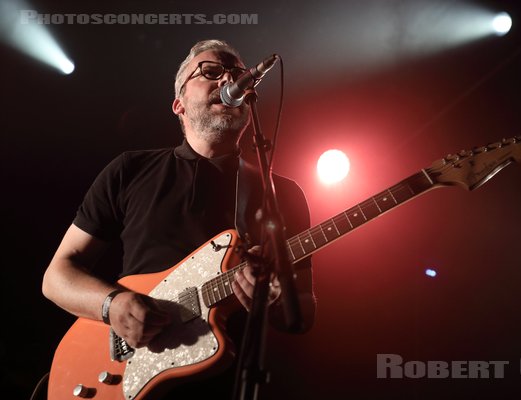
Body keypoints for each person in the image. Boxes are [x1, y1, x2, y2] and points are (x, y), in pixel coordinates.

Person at [42, 39, 316, 399]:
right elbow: (57, 276)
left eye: (235, 74)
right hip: (125, 377)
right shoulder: (130, 170)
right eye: (211, 72)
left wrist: (276, 300)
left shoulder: (282, 193)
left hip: (228, 384)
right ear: (179, 104)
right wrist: (112, 305)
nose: (229, 81)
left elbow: (304, 311)